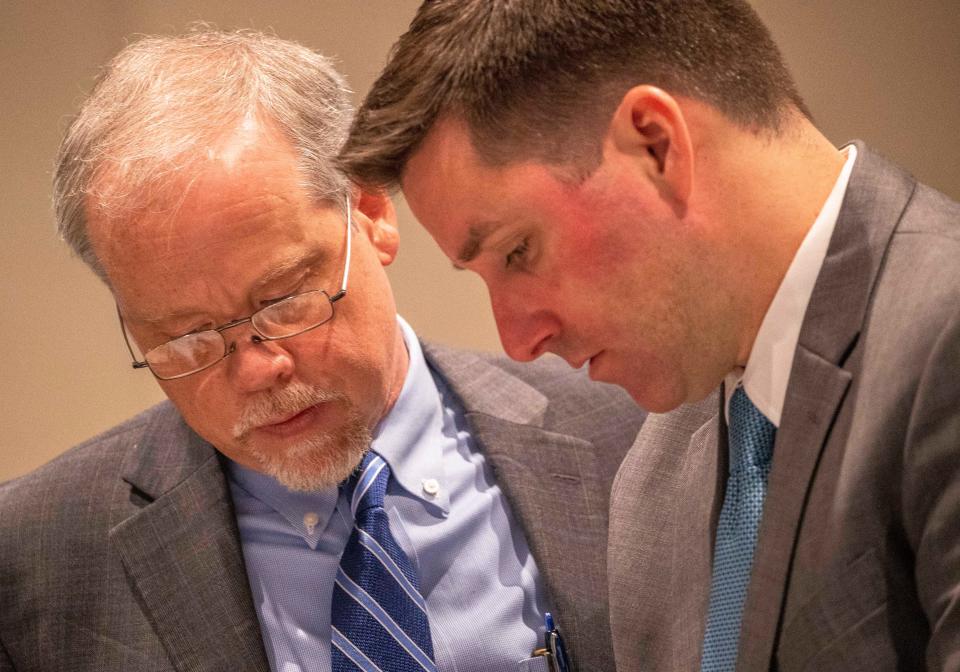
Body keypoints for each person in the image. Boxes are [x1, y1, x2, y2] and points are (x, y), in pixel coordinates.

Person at [337, 1, 960, 670]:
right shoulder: (654, 478)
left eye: (518, 251)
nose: (518, 341)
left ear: (655, 143)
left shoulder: (940, 338)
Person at [0, 29, 646, 672]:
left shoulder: (633, 437)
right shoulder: (35, 553)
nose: (257, 370)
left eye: (284, 302)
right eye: (186, 339)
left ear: (370, 213)